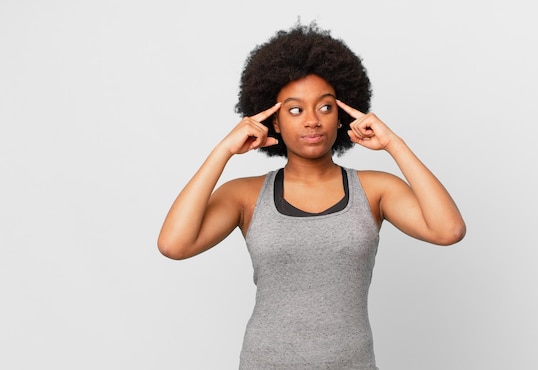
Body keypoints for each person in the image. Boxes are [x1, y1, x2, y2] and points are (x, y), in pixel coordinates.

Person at [158, 22, 466, 370]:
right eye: (294, 110)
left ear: (340, 117)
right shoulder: (245, 195)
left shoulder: (375, 189)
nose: (311, 121)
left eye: (325, 107)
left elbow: (448, 230)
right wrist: (222, 151)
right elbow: (174, 245)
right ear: (273, 122)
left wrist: (394, 144)